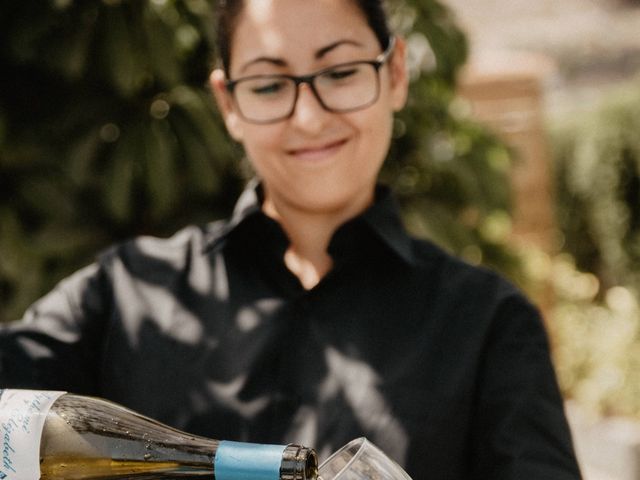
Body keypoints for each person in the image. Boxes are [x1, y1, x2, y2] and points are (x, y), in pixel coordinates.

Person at [0, 0, 582, 478]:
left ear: (396, 73)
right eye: (270, 84)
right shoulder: (122, 293)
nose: (308, 117)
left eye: (341, 72)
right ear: (228, 103)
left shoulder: (489, 324)